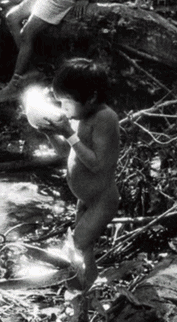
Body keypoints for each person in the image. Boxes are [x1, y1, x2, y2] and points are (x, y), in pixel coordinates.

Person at [33, 58, 119, 291]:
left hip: (102, 199)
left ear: (90, 98)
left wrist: (69, 133)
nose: (64, 109)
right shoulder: (80, 117)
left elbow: (97, 165)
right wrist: (51, 134)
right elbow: (68, 152)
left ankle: (85, 294)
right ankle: (84, 292)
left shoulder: (105, 118)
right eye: (60, 102)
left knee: (78, 245)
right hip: (86, 198)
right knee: (82, 246)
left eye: (68, 102)